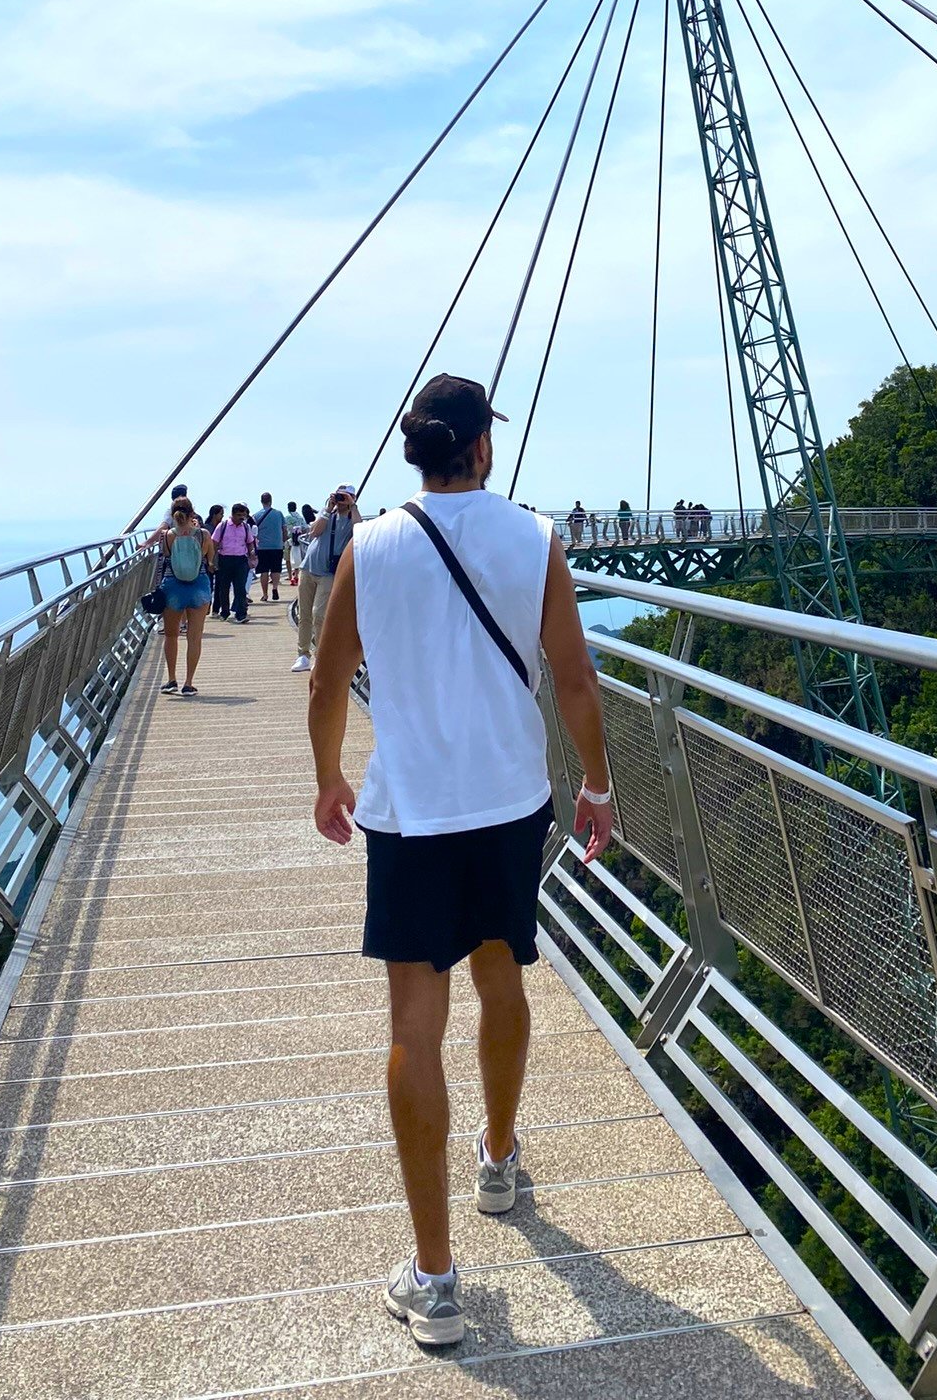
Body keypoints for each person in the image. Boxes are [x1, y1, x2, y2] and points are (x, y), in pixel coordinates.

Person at [306, 372, 612, 1346]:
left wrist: (328, 778)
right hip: (509, 804)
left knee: (413, 1022)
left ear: (418, 451)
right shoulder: (536, 537)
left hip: (409, 813)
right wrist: (596, 784)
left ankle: (435, 1278)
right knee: (502, 978)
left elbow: (324, 675)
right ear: (481, 446)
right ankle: (499, 1156)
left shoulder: (370, 542)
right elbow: (572, 676)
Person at [292, 485, 359, 673]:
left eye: (345, 496)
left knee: (319, 615)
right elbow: (315, 532)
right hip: (308, 568)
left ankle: (322, 657)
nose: (341, 499)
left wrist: (352, 506)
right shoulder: (327, 513)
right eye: (339, 495)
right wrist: (329, 509)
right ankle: (303, 654)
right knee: (304, 614)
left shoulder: (351, 517)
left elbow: (360, 531)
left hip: (329, 573)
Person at [155, 497, 214, 697]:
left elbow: (166, 555)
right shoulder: (203, 535)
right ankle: (189, 683)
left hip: (173, 588)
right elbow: (208, 558)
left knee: (171, 636)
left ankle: (171, 680)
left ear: (173, 515)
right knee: (194, 637)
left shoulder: (168, 536)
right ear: (192, 514)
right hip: (199, 586)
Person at [211, 502, 256, 623]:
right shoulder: (223, 525)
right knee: (223, 587)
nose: (241, 517)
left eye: (244, 515)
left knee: (240, 588)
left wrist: (252, 552)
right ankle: (224, 612)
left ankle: (241, 614)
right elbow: (214, 543)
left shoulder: (246, 527)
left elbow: (250, 542)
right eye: (239, 515)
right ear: (232, 514)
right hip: (225, 559)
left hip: (241, 560)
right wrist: (212, 560)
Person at [253, 493, 287, 603]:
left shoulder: (256, 515)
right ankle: (275, 588)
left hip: (262, 547)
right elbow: (284, 529)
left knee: (264, 571)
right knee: (276, 569)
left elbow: (254, 532)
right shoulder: (279, 514)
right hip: (277, 545)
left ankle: (265, 594)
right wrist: (283, 540)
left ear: (261, 501)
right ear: (271, 501)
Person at [284, 500, 304, 582]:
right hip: (299, 540)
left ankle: (289, 575)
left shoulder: (287, 517)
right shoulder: (300, 517)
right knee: (296, 557)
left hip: (289, 540)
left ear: (288, 508)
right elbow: (304, 527)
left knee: (288, 558)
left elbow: (284, 528)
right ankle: (296, 575)